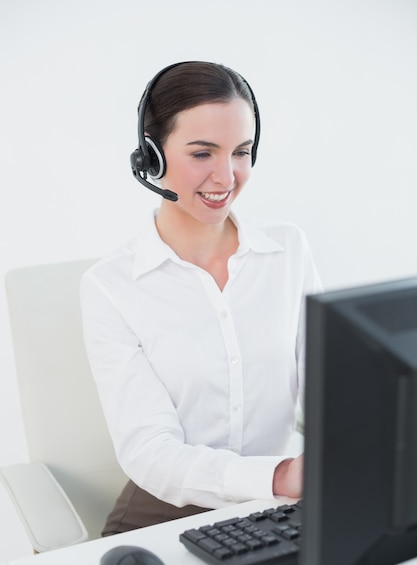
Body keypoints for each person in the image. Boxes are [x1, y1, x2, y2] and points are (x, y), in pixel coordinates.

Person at [80, 61, 322, 535]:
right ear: (151, 157)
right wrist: (277, 476)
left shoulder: (287, 252)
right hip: (164, 511)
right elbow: (150, 452)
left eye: (241, 152)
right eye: (202, 153)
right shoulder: (111, 286)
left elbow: (330, 387)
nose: (226, 176)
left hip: (275, 504)